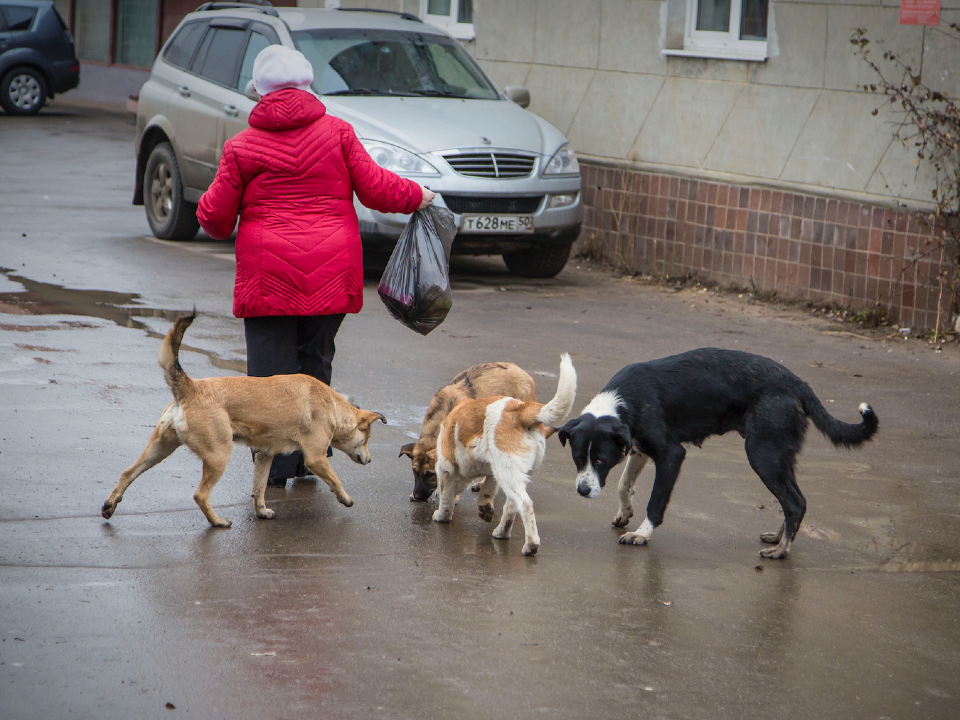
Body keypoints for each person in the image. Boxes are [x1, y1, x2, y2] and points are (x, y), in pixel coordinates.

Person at [197, 45, 434, 487]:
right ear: (307, 86)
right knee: (315, 366)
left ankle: (276, 471)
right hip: (330, 274)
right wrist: (417, 195)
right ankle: (310, 459)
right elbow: (378, 189)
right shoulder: (339, 133)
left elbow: (213, 219)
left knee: (269, 380)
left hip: (269, 282)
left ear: (259, 92)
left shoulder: (241, 147)